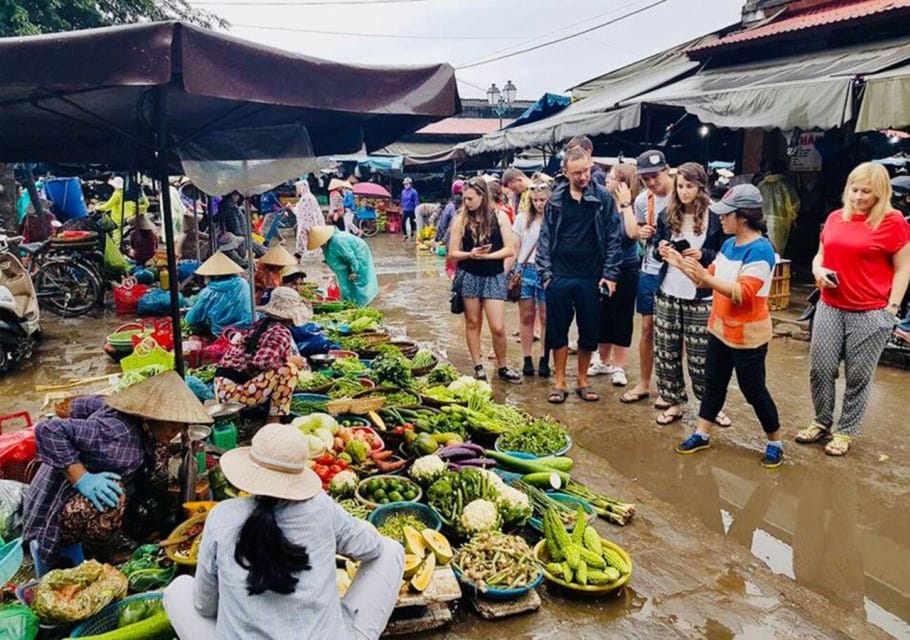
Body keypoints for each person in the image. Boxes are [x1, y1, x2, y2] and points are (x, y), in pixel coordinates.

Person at [162, 423, 403, 640]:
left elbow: (204, 606)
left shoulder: (222, 517)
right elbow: (373, 547)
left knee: (177, 590)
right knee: (391, 549)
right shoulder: (320, 507)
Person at [23, 372, 212, 573]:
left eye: (181, 426)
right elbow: (48, 430)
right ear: (149, 415)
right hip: (50, 510)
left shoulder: (114, 408)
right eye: (171, 424)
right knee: (114, 494)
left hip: (67, 486)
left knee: (157, 461)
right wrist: (82, 477)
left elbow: (77, 405)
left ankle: (126, 527)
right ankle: (99, 551)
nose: (176, 432)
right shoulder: (117, 433)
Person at [795, 162, 910, 456]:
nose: (858, 197)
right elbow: (820, 255)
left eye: (866, 192)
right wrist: (818, 271)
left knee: (858, 376)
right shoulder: (836, 217)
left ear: (880, 193)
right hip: (830, 305)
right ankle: (821, 421)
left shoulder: (893, 222)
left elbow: (904, 267)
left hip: (870, 311)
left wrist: (891, 310)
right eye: (854, 189)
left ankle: (845, 431)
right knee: (820, 369)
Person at [674, 185, 783, 468]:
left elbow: (742, 293)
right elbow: (706, 279)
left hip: (748, 335)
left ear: (743, 216)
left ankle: (775, 441)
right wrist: (680, 263)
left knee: (753, 389)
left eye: (726, 214)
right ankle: (701, 433)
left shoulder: (761, 250)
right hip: (720, 329)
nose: (720, 219)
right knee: (714, 383)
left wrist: (703, 277)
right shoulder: (727, 245)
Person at [537, 147, 622, 403]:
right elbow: (545, 237)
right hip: (560, 275)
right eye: (577, 173)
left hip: (591, 276)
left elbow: (613, 237)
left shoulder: (604, 198)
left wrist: (610, 274)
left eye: (586, 170)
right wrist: (546, 274)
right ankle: (560, 381)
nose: (583, 177)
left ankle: (583, 381)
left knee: (589, 331)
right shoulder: (555, 200)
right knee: (557, 330)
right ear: (565, 172)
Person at [651, 163, 730, 427]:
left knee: (703, 356)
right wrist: (660, 248)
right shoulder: (666, 214)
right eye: (681, 186)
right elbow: (654, 249)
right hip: (668, 290)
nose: (684, 192)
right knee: (666, 351)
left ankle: (711, 407)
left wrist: (703, 255)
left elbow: (724, 252)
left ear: (700, 187)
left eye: (690, 187)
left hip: (701, 294)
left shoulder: (715, 215)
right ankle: (673, 402)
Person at [448, 177, 521, 382]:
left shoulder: (500, 217)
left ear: (483, 196)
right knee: (473, 322)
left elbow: (510, 248)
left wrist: (487, 256)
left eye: (471, 198)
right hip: (469, 275)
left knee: (497, 327)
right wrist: (470, 254)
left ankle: (503, 366)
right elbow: (452, 253)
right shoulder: (460, 219)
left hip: (494, 276)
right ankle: (478, 366)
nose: (467, 203)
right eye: (465, 199)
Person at [620, 150, 674, 406]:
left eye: (655, 176)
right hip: (650, 269)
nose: (652, 182)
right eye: (646, 179)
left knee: (673, 333)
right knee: (647, 328)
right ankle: (644, 382)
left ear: (667, 170)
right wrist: (644, 231)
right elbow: (637, 232)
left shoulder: (683, 196)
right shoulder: (644, 201)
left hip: (676, 272)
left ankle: (669, 387)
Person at [214, 286, 311, 421]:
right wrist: (289, 360)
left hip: (223, 389)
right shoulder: (280, 332)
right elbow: (261, 362)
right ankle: (273, 422)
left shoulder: (262, 324)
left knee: (282, 368)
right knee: (289, 371)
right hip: (232, 394)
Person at [587, 162, 641, 387]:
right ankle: (603, 360)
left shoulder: (633, 206)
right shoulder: (602, 203)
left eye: (612, 177)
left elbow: (632, 234)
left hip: (626, 268)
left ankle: (619, 366)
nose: (607, 180)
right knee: (602, 315)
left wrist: (626, 203)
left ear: (624, 183)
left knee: (622, 316)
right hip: (602, 268)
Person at [513, 181, 550, 377]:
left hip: (546, 270)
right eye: (535, 200)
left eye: (543, 200)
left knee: (546, 317)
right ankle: (527, 358)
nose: (539, 204)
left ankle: (544, 358)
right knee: (526, 316)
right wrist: (509, 271)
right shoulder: (521, 219)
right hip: (525, 269)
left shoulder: (554, 219)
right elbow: (515, 247)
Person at [308, 226, 379, 307]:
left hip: (358, 255)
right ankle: (349, 302)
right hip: (348, 258)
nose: (320, 246)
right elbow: (332, 254)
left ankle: (361, 304)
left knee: (357, 282)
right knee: (345, 283)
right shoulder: (328, 244)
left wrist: (354, 271)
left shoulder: (338, 241)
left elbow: (350, 257)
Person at [185, 252, 253, 336]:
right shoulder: (243, 283)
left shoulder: (208, 292)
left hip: (222, 335)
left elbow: (191, 319)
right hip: (248, 330)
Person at [291, 180, 325, 259]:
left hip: (307, 223)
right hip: (310, 222)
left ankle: (298, 255)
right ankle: (298, 255)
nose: (297, 190)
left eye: (298, 188)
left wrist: (291, 208)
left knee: (308, 238)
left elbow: (299, 211)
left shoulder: (305, 198)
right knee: (301, 238)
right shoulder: (309, 196)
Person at [400, 177, 419, 241]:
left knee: (412, 222)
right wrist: (401, 207)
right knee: (402, 222)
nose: (405, 186)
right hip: (405, 209)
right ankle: (405, 234)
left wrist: (416, 210)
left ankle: (412, 234)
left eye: (407, 184)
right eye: (404, 184)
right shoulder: (403, 191)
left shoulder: (414, 192)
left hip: (412, 210)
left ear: (410, 184)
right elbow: (402, 200)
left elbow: (416, 201)